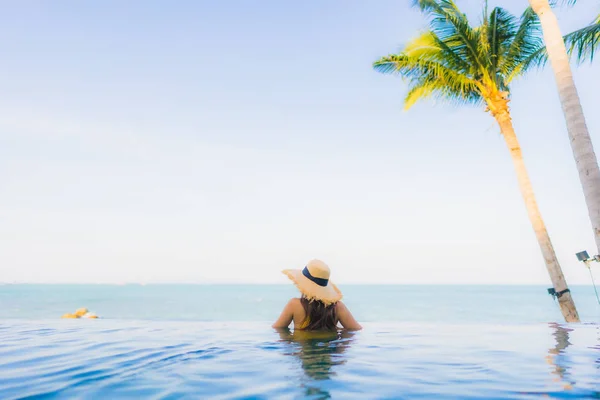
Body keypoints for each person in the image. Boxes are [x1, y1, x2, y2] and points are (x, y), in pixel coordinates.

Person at [272, 259, 362, 331]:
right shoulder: (338, 307)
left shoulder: (294, 305)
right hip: (329, 352)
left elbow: (278, 328)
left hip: (303, 351)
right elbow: (356, 329)